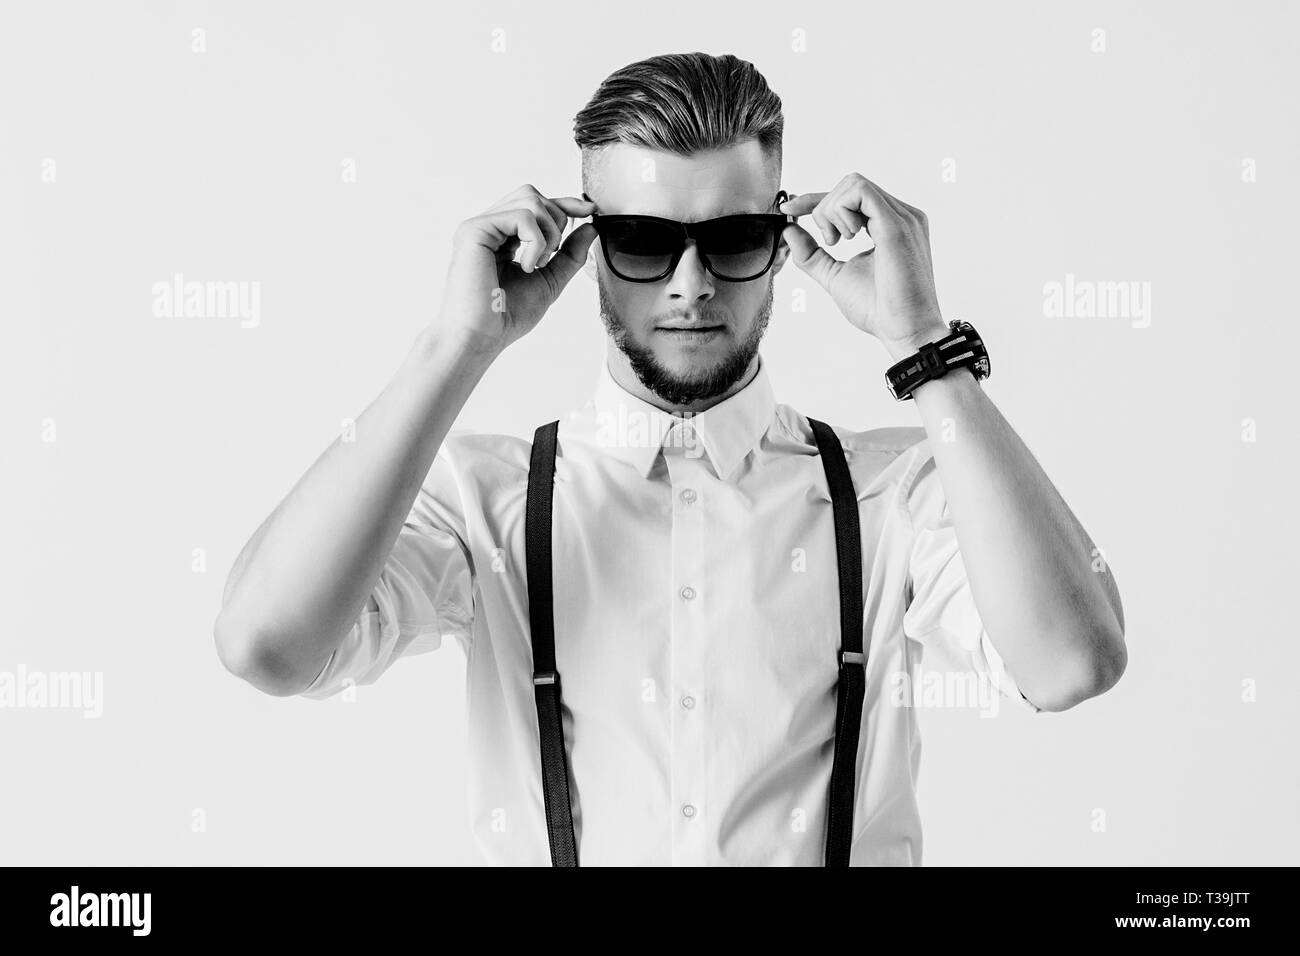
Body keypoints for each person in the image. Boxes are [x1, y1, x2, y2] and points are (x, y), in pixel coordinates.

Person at [214, 51, 1126, 866]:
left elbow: (1071, 664)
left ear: (782, 241)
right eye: (645, 241)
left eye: (732, 238)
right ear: (589, 243)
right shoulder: (485, 501)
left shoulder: (893, 490)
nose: (692, 284)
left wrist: (924, 344)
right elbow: (267, 646)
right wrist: (455, 346)